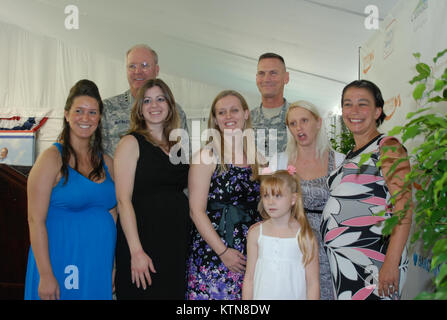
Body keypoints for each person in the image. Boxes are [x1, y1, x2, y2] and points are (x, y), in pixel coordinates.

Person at [24, 79, 117, 300]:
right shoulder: (51, 159)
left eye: (92, 112)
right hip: (61, 260)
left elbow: (113, 213)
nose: (86, 118)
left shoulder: (107, 162)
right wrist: (46, 275)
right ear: (66, 115)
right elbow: (35, 220)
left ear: (99, 118)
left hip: (97, 262)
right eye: (79, 111)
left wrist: (112, 264)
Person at [321, 80, 412, 300]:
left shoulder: (387, 147)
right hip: (347, 264)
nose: (354, 111)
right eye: (348, 104)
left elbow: (404, 208)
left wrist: (390, 263)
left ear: (377, 111)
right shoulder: (351, 154)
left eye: (363, 104)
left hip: (374, 261)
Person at [113, 78, 190, 299]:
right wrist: (136, 252)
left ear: (170, 105)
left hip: (174, 245)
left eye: (160, 99)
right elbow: (123, 200)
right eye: (147, 101)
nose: (154, 105)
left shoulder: (176, 145)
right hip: (143, 243)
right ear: (139, 108)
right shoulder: (130, 142)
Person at [186, 90, 262, 300]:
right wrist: (223, 252)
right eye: (222, 112)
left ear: (246, 114)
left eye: (234, 110)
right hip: (215, 252)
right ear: (215, 119)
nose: (228, 116)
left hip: (251, 254)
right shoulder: (207, 156)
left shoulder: (258, 158)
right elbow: (196, 211)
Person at [267, 100, 344, 299]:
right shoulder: (279, 161)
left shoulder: (340, 161)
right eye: (292, 123)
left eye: (304, 120)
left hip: (330, 247)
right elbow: (268, 204)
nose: (299, 128)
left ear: (318, 122)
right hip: (291, 244)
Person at [242, 170, 320, 300]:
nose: (270, 202)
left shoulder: (305, 236)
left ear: (293, 199)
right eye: (266, 196)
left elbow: (313, 283)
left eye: (277, 196)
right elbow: (249, 278)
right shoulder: (256, 233)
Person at [102, 44, 189, 157]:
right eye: (132, 66)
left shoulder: (175, 111)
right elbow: (93, 156)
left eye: (144, 65)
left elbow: (185, 157)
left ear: (156, 70)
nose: (137, 71)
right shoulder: (107, 108)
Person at [251, 52, 290, 157]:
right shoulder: (245, 120)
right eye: (261, 73)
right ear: (256, 78)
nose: (266, 79)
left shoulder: (300, 118)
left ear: (286, 78)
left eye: (273, 73)